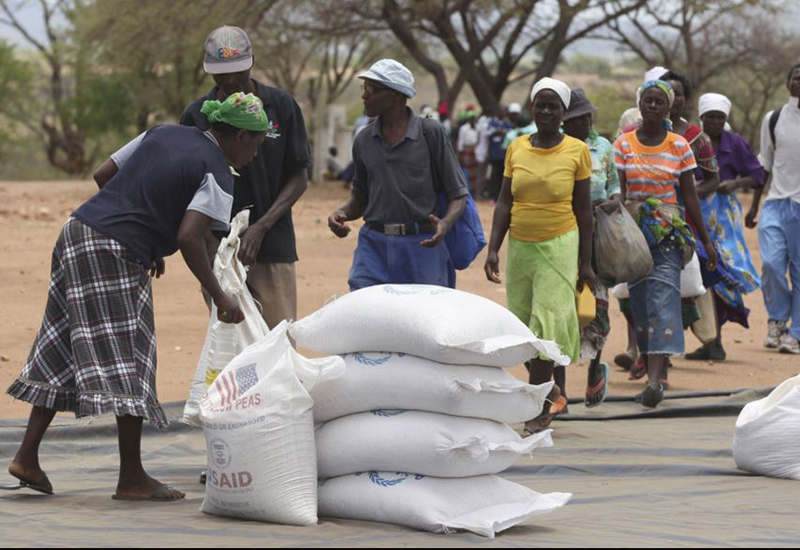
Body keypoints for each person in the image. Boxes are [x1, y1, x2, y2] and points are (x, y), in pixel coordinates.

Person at [3, 93, 268, 501]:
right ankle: (131, 478)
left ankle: (26, 457)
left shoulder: (162, 133)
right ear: (237, 135)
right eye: (256, 141)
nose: (257, 150)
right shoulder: (218, 171)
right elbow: (189, 237)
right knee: (134, 354)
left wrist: (147, 236)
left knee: (60, 347)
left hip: (77, 233)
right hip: (114, 250)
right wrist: (221, 297)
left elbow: (102, 174)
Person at [181, 26, 310, 329]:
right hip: (218, 251)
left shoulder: (282, 106)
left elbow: (299, 176)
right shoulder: (198, 114)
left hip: (273, 246)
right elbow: (187, 185)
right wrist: (215, 245)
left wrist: (261, 228)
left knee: (279, 337)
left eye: (236, 72)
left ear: (252, 62)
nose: (229, 81)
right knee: (230, 341)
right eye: (220, 74)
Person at [484, 78, 595, 433]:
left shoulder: (577, 151)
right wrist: (493, 248)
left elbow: (584, 210)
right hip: (520, 245)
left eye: (553, 107)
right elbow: (504, 201)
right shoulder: (516, 147)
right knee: (521, 326)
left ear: (564, 113)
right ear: (532, 109)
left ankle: (539, 407)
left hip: (560, 243)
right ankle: (552, 391)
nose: (546, 112)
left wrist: (586, 263)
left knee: (545, 323)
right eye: (540, 105)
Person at [614, 80, 718, 408]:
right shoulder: (623, 144)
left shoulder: (679, 147)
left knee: (663, 301)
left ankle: (657, 381)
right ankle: (650, 374)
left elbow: (690, 198)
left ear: (669, 107)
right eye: (649, 100)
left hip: (668, 234)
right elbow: (620, 192)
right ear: (640, 104)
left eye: (660, 101)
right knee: (641, 303)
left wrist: (707, 243)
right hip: (633, 236)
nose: (654, 106)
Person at [328, 59, 468, 290]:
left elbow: (458, 194)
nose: (364, 96)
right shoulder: (364, 140)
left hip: (422, 246)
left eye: (371, 89)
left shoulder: (429, 133)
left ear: (395, 95)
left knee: (424, 319)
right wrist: (341, 213)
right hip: (373, 246)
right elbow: (361, 198)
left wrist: (445, 223)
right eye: (365, 88)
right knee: (366, 311)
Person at [684, 93, 764, 360]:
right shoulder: (693, 140)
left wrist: (735, 183)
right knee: (700, 273)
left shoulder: (735, 143)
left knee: (722, 271)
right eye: (710, 118)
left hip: (723, 215)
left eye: (720, 118)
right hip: (696, 209)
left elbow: (757, 174)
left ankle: (714, 339)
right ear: (702, 118)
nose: (715, 122)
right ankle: (710, 338)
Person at [562, 89, 621, 408]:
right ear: (564, 122)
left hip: (596, 237)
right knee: (562, 308)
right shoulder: (556, 148)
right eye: (577, 118)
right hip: (560, 234)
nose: (586, 121)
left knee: (595, 304)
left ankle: (596, 365)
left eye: (588, 116)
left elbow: (615, 187)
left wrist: (612, 201)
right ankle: (555, 381)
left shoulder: (604, 148)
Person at [747, 63, 800, 354]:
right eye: (796, 76)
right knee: (771, 265)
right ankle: (778, 319)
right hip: (776, 204)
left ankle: (796, 332)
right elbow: (764, 163)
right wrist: (755, 205)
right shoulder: (774, 118)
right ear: (787, 82)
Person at [457, 110, 480, 193]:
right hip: (467, 151)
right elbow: (460, 142)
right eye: (471, 118)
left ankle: (475, 190)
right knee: (467, 171)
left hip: (476, 151)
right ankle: (468, 190)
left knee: (475, 172)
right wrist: (461, 155)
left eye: (474, 118)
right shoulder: (464, 129)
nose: (472, 120)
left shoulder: (477, 127)